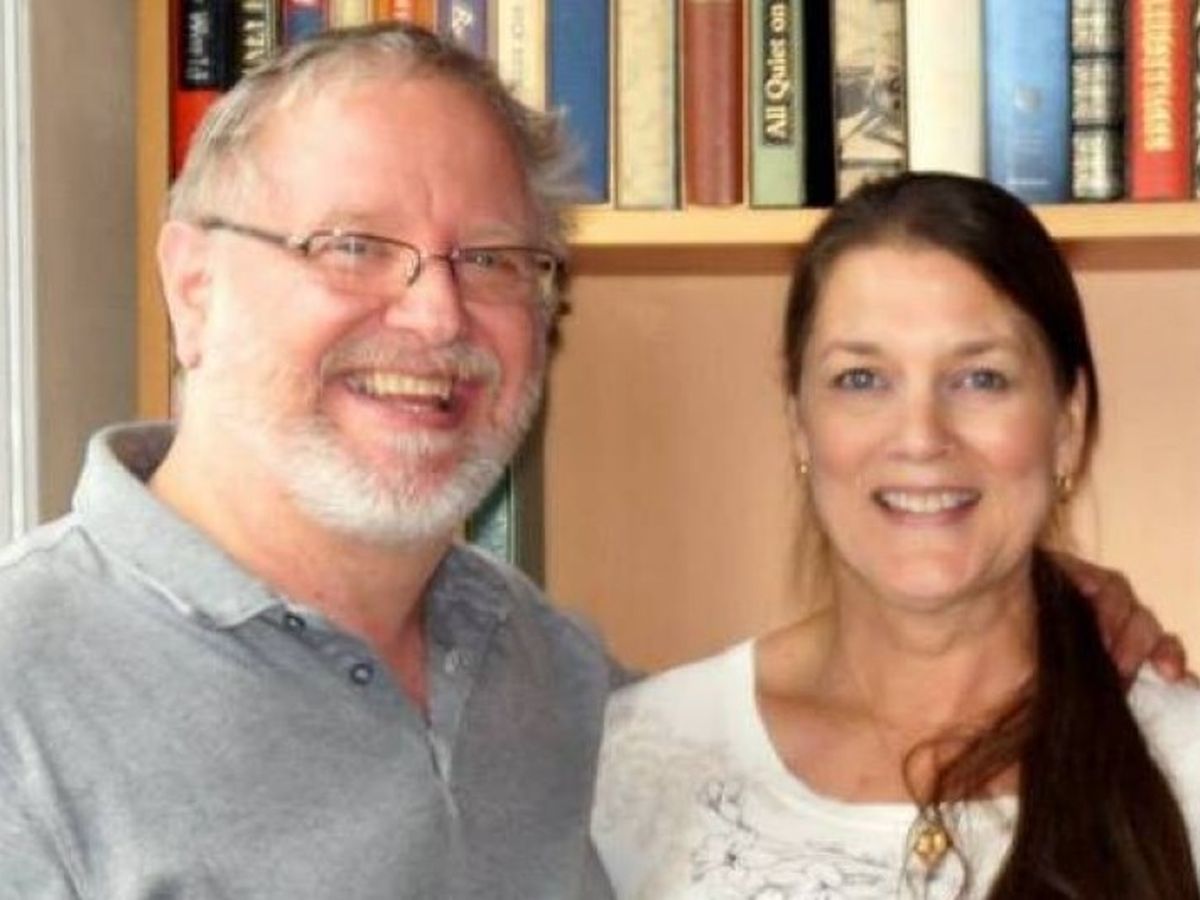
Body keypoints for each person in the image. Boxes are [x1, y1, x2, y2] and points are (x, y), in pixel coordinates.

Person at [0, 24, 1182, 900]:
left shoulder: (549, 678)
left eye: (493, 259)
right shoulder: (25, 702)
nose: (435, 315)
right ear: (193, 288)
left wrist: (1029, 600)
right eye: (353, 245)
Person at [591, 173, 1200, 899]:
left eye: (980, 378)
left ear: (1067, 426)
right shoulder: (640, 762)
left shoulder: (1182, 759)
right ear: (799, 423)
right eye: (861, 379)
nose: (920, 436)